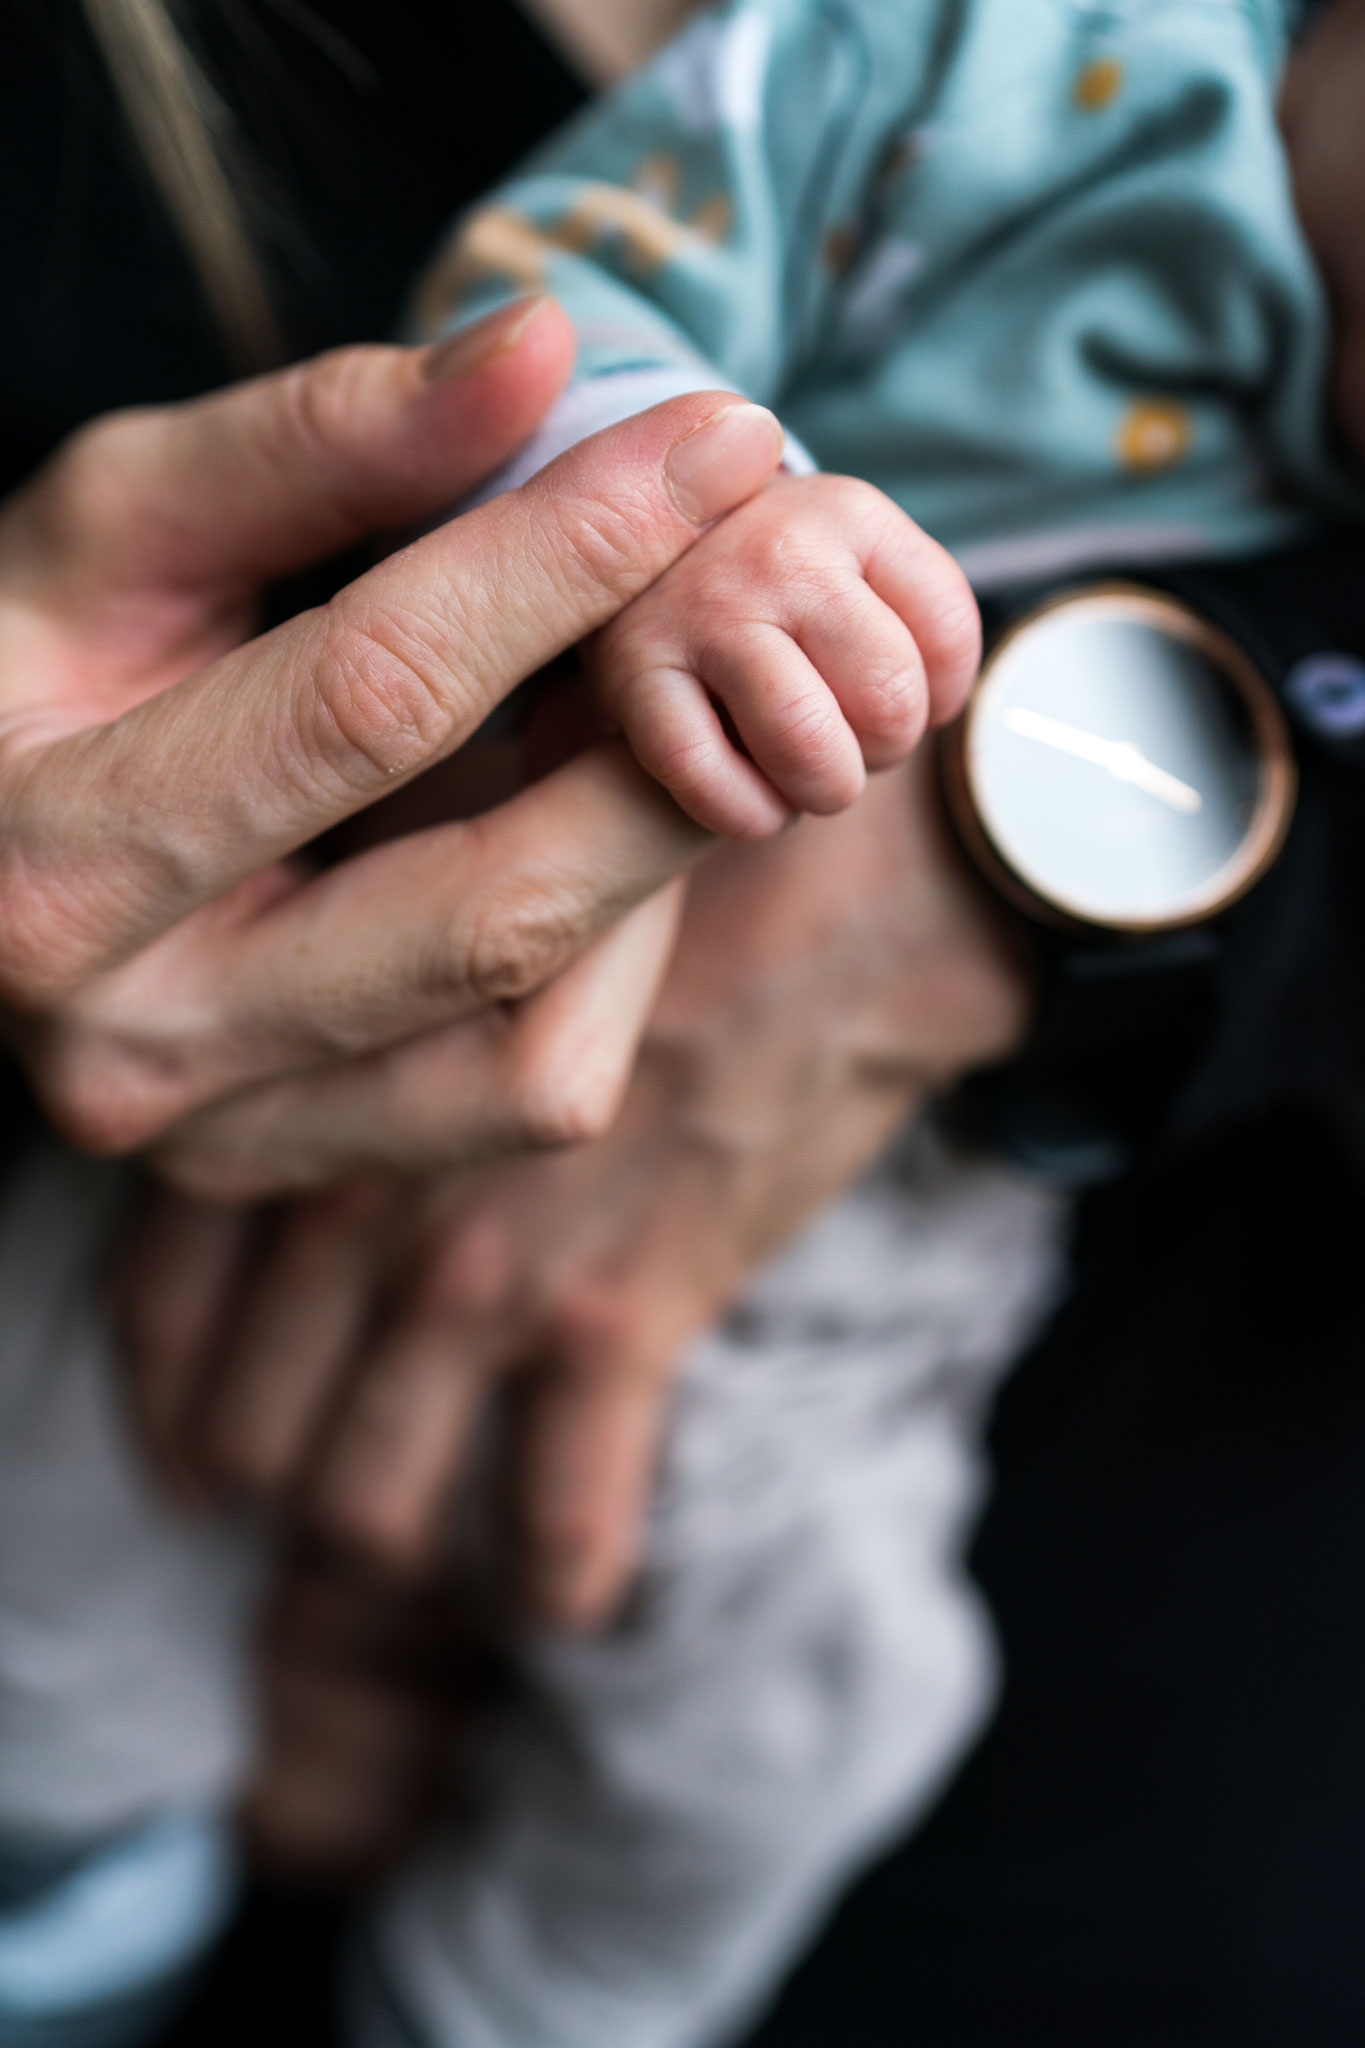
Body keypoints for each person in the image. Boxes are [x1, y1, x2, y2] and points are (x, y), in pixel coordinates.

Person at [113, 3, 1365, 2047]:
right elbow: (550, 296)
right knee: (63, 1594)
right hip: (306, 1069)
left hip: (887, 1323)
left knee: (811, 1729)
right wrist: (686, 513)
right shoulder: (1003, 70)